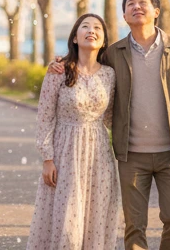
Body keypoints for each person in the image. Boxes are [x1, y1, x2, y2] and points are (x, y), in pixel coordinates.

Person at [49, 0, 170, 250]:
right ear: (124, 16)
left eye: (143, 2)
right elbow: (86, 65)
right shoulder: (113, 53)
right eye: (130, 4)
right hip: (131, 154)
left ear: (156, 11)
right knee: (134, 225)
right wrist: (60, 63)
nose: (137, 7)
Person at [27, 13, 119, 250]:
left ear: (103, 40)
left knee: (94, 220)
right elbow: (45, 117)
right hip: (65, 153)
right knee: (67, 223)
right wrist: (47, 158)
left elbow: (111, 118)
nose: (92, 30)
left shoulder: (109, 74)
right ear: (75, 38)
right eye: (85, 27)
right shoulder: (59, 71)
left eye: (98, 27)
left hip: (99, 155)